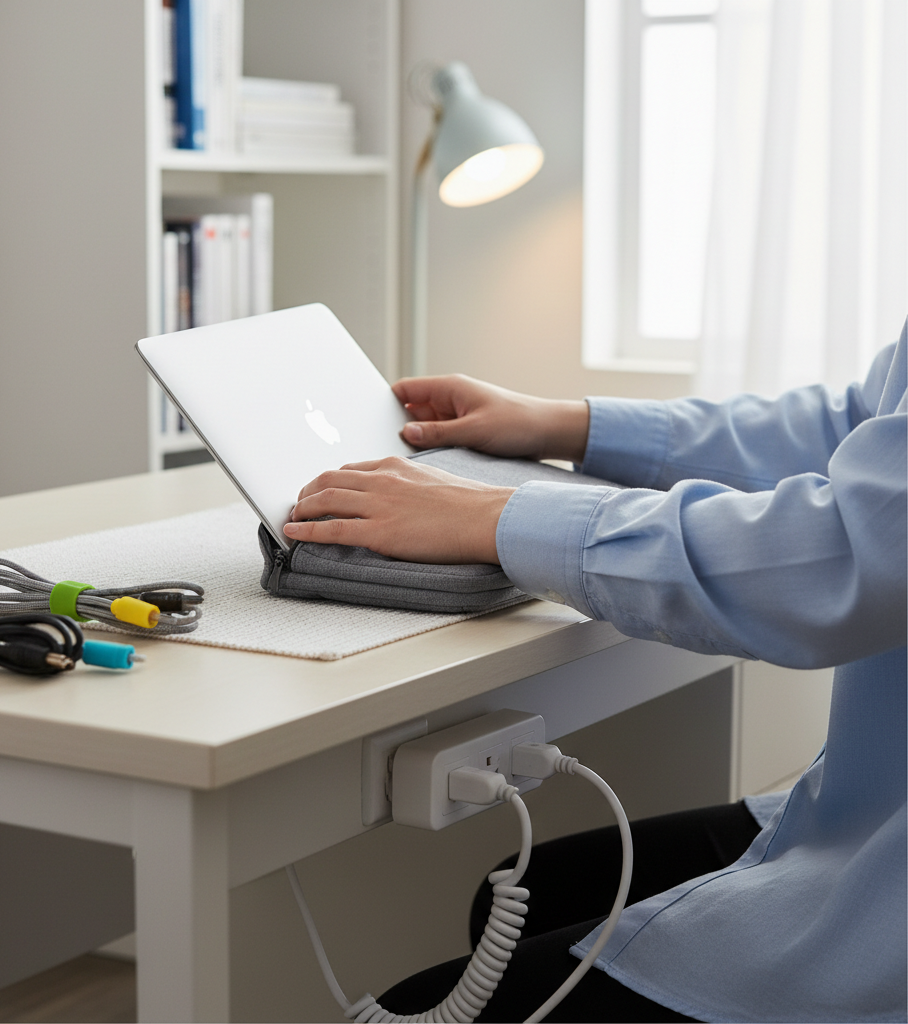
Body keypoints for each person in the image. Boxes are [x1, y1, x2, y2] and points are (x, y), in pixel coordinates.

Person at [283, 322, 908, 1023]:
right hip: (871, 815)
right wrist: (566, 426)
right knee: (526, 892)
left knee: (418, 1006)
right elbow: (860, 428)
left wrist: (498, 517)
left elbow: (848, 551)